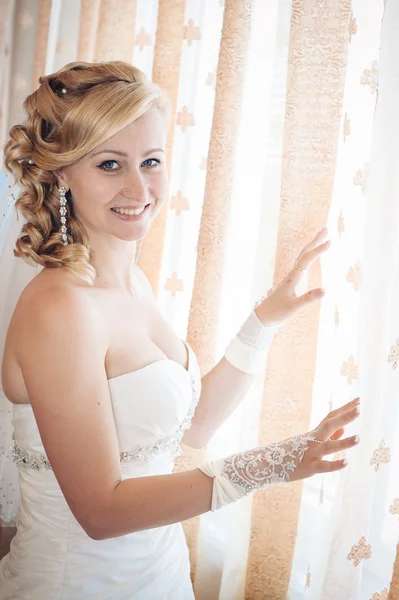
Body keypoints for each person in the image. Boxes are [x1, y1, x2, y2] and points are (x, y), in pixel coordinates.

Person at [0, 61, 360, 599]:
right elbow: (100, 510)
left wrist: (262, 322)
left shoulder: (133, 282)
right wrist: (273, 464)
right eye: (109, 164)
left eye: (150, 161)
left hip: (159, 576)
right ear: (59, 174)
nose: (138, 187)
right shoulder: (60, 309)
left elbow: (190, 430)